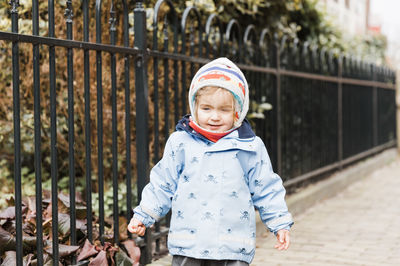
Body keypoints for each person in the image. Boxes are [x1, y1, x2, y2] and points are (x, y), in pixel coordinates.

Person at [128, 57, 293, 266]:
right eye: (206, 108)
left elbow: (266, 187)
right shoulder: (181, 142)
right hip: (189, 243)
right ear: (194, 106)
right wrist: (144, 215)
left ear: (238, 112)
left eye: (224, 110)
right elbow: (163, 182)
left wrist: (279, 223)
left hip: (232, 246)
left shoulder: (249, 146)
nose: (214, 117)